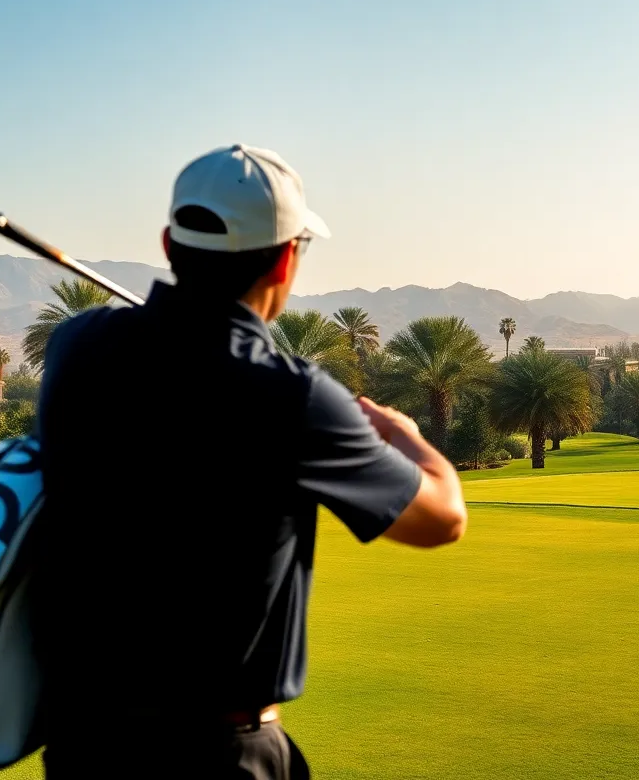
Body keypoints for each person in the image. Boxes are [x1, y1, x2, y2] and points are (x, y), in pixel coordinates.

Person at [32, 144, 468, 779]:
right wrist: (407, 437)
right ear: (288, 257)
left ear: (168, 243)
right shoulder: (293, 395)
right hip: (218, 755)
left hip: (84, 746)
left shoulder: (75, 345)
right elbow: (441, 519)